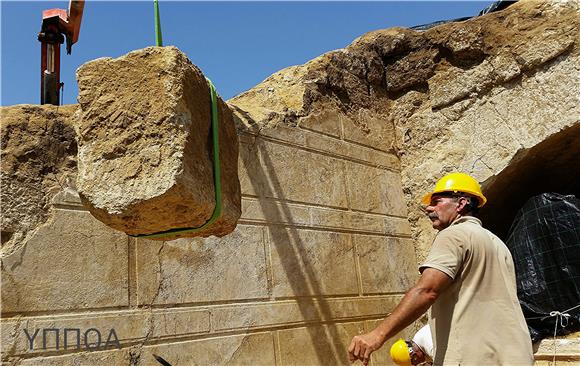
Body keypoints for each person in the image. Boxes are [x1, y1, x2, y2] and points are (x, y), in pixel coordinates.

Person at [347, 172, 533, 366]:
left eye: (437, 201)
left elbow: (427, 291)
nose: (429, 208)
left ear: (461, 204)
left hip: (474, 358)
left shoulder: (454, 235)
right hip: (517, 354)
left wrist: (377, 335)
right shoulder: (498, 244)